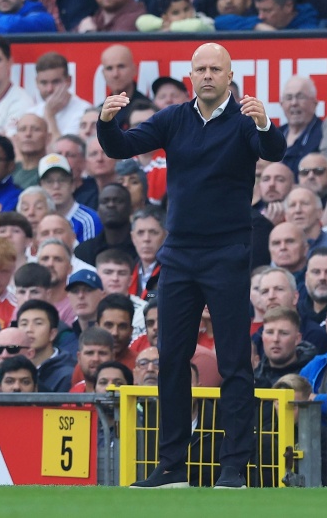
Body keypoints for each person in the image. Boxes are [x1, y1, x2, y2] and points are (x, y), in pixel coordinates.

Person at [98, 42, 285, 488]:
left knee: (235, 362)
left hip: (227, 253)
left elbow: (274, 151)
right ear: (191, 75)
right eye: (200, 69)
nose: (207, 76)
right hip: (179, 254)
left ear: (229, 75)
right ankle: (172, 466)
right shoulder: (174, 118)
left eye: (215, 69)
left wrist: (265, 122)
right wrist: (106, 122)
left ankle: (234, 467)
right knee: (171, 360)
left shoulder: (245, 119)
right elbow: (122, 146)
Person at [38, 153, 102, 243]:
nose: (56, 186)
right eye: (49, 181)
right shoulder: (37, 220)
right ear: (40, 187)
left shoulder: (89, 220)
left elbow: (89, 252)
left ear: (72, 185)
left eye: (62, 180)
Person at [29, 52, 92, 142]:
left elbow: (62, 149)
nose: (49, 89)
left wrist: (49, 115)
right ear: (36, 83)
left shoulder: (84, 112)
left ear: (69, 81)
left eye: (55, 82)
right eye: (44, 83)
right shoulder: (31, 113)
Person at [16, 299, 75, 392]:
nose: (29, 329)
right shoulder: (12, 366)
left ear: (52, 334)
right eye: (24, 324)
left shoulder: (66, 375)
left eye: (38, 323)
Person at [254, 307, 316, 388]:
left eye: (284, 333)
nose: (275, 339)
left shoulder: (315, 375)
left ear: (297, 339)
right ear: (262, 336)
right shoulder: (254, 377)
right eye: (269, 332)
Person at [97, 45, 152, 130]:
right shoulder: (99, 112)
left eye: (121, 66)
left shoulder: (148, 109)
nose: (115, 74)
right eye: (109, 68)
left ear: (134, 70)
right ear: (103, 74)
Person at [278, 76, 323, 179]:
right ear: (281, 104)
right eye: (289, 98)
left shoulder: (324, 134)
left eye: (300, 97)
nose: (294, 103)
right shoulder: (274, 134)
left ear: (315, 103)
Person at [70, 327, 114, 392]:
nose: (96, 359)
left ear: (113, 357)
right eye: (89, 353)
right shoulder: (75, 391)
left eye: (102, 353)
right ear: (79, 358)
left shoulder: (123, 392)